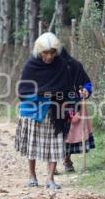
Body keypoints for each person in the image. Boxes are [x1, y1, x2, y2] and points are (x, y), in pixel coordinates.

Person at [15, 32, 92, 189]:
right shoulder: (31, 65)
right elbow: (23, 91)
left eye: (52, 53)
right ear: (39, 52)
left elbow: (67, 88)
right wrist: (43, 96)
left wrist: (73, 101)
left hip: (56, 111)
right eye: (45, 53)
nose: (49, 56)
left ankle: (50, 179)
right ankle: (32, 176)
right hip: (34, 110)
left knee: (56, 144)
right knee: (32, 144)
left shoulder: (62, 65)